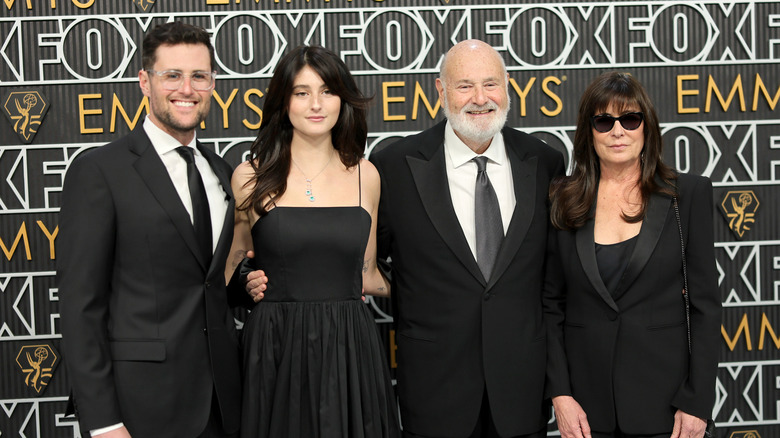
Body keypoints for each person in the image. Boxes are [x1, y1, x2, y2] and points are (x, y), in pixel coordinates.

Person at [370, 40, 564, 438]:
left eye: (491, 84)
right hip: (434, 390)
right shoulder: (393, 167)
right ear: (440, 91)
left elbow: (553, 277)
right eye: (464, 86)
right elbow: (367, 263)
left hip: (522, 390)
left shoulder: (545, 162)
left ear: (507, 88)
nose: (480, 99)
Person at [57, 22, 242, 438]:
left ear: (213, 84)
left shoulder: (220, 171)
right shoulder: (100, 171)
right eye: (171, 75)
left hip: (224, 402)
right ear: (145, 81)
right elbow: (80, 307)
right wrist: (103, 422)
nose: (187, 89)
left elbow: (205, 279)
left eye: (199, 76)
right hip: (141, 408)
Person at [226, 44, 400, 438]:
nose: (316, 104)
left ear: (343, 99)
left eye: (327, 91)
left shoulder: (365, 174)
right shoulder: (248, 176)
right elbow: (231, 268)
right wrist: (245, 282)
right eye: (302, 92)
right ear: (283, 102)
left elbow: (369, 273)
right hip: (275, 343)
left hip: (350, 345)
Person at [544, 72, 721, 438]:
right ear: (589, 132)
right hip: (587, 411)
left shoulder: (687, 195)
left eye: (630, 119)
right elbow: (551, 305)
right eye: (604, 121)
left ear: (647, 127)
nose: (617, 131)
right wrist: (560, 393)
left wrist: (697, 401)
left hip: (668, 407)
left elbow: (705, 306)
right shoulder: (564, 198)